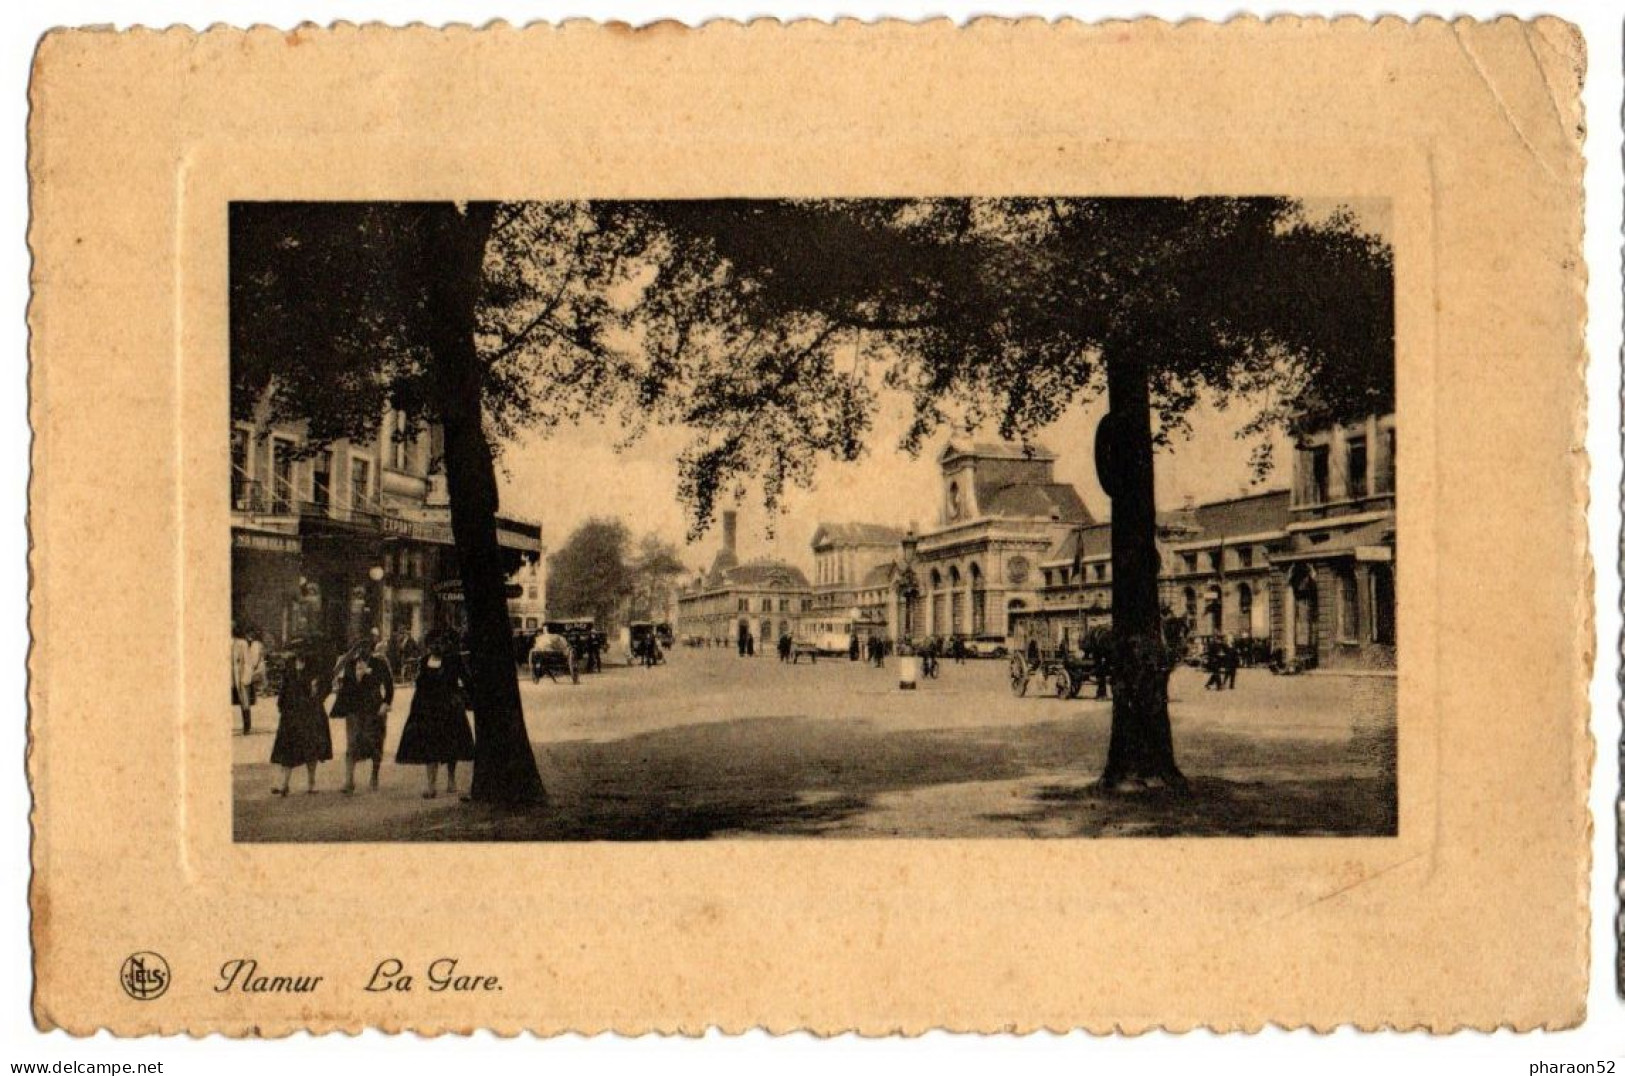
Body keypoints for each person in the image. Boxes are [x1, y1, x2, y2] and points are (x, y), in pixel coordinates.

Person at [396, 634, 476, 799]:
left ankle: (451, 780)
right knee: (430, 746)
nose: (436, 646)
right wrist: (416, 709)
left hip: (450, 708)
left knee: (451, 745)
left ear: (445, 645)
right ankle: (431, 785)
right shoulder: (425, 661)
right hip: (429, 710)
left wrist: (467, 699)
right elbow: (420, 687)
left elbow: (466, 681)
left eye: (439, 643)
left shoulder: (453, 660)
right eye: (433, 644)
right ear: (428, 646)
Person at [330, 639, 394, 794]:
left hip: (374, 707)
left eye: (365, 647)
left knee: (375, 742)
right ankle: (349, 780)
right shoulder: (351, 663)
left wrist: (386, 703)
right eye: (359, 647)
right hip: (354, 708)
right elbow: (341, 680)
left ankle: (374, 776)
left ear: (370, 648)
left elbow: (389, 685)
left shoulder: (379, 663)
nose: (362, 650)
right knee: (352, 742)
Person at [269, 648, 333, 796]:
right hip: (291, 713)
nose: (299, 654)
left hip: (310, 713)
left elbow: (326, 686)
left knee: (311, 749)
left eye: (302, 649)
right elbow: (284, 689)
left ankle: (311, 784)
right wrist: (281, 705)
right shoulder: (290, 667)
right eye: (296, 650)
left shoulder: (315, 668)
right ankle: (284, 784)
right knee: (287, 748)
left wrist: (318, 692)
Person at [231, 623, 254, 735]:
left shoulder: (242, 643)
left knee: (244, 700)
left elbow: (248, 662)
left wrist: (246, 677)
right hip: (229, 675)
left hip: (239, 675)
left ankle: (247, 725)